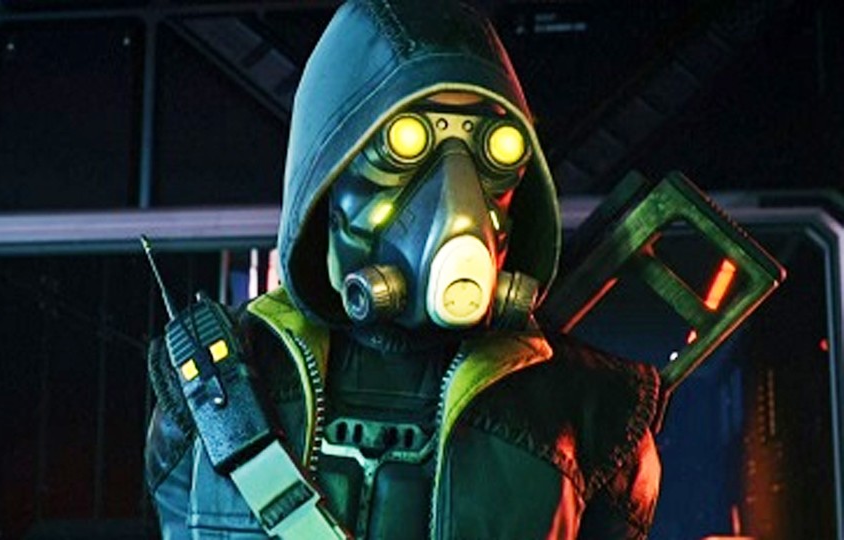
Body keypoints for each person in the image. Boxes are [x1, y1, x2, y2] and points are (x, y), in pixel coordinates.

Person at [145, 0, 662, 538]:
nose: (457, 198)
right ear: (327, 171)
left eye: (493, 150)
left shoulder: (598, 414)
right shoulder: (212, 390)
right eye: (404, 148)